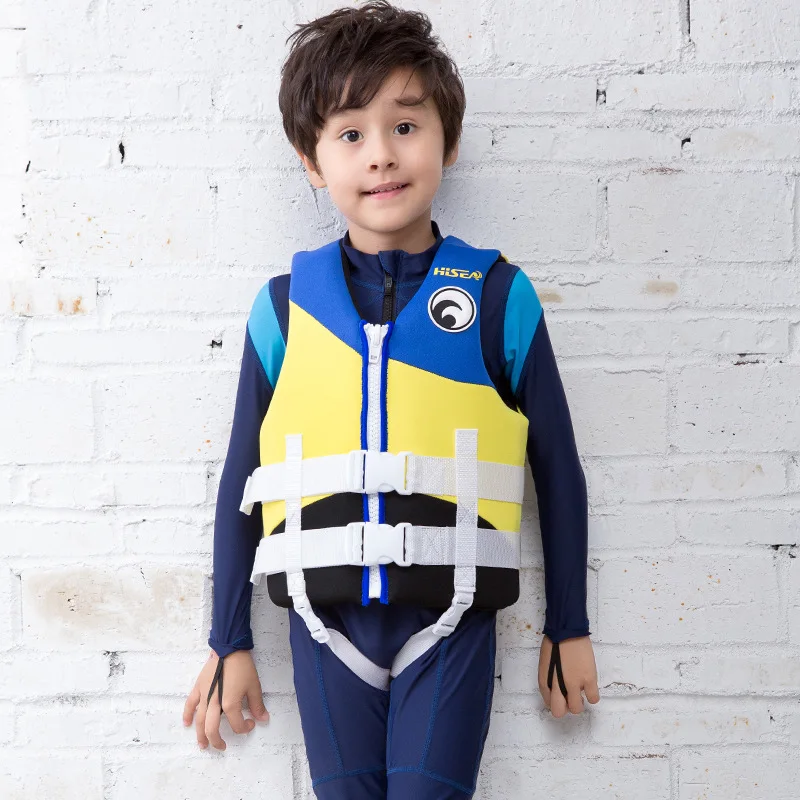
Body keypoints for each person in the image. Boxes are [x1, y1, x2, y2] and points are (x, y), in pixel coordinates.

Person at [182, 2, 600, 797]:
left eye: (405, 126)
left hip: (452, 622)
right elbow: (242, 479)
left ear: (448, 139)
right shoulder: (281, 312)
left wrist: (568, 624)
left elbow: (558, 468)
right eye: (350, 134)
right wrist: (228, 639)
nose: (381, 154)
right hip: (322, 627)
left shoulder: (500, 298)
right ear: (311, 162)